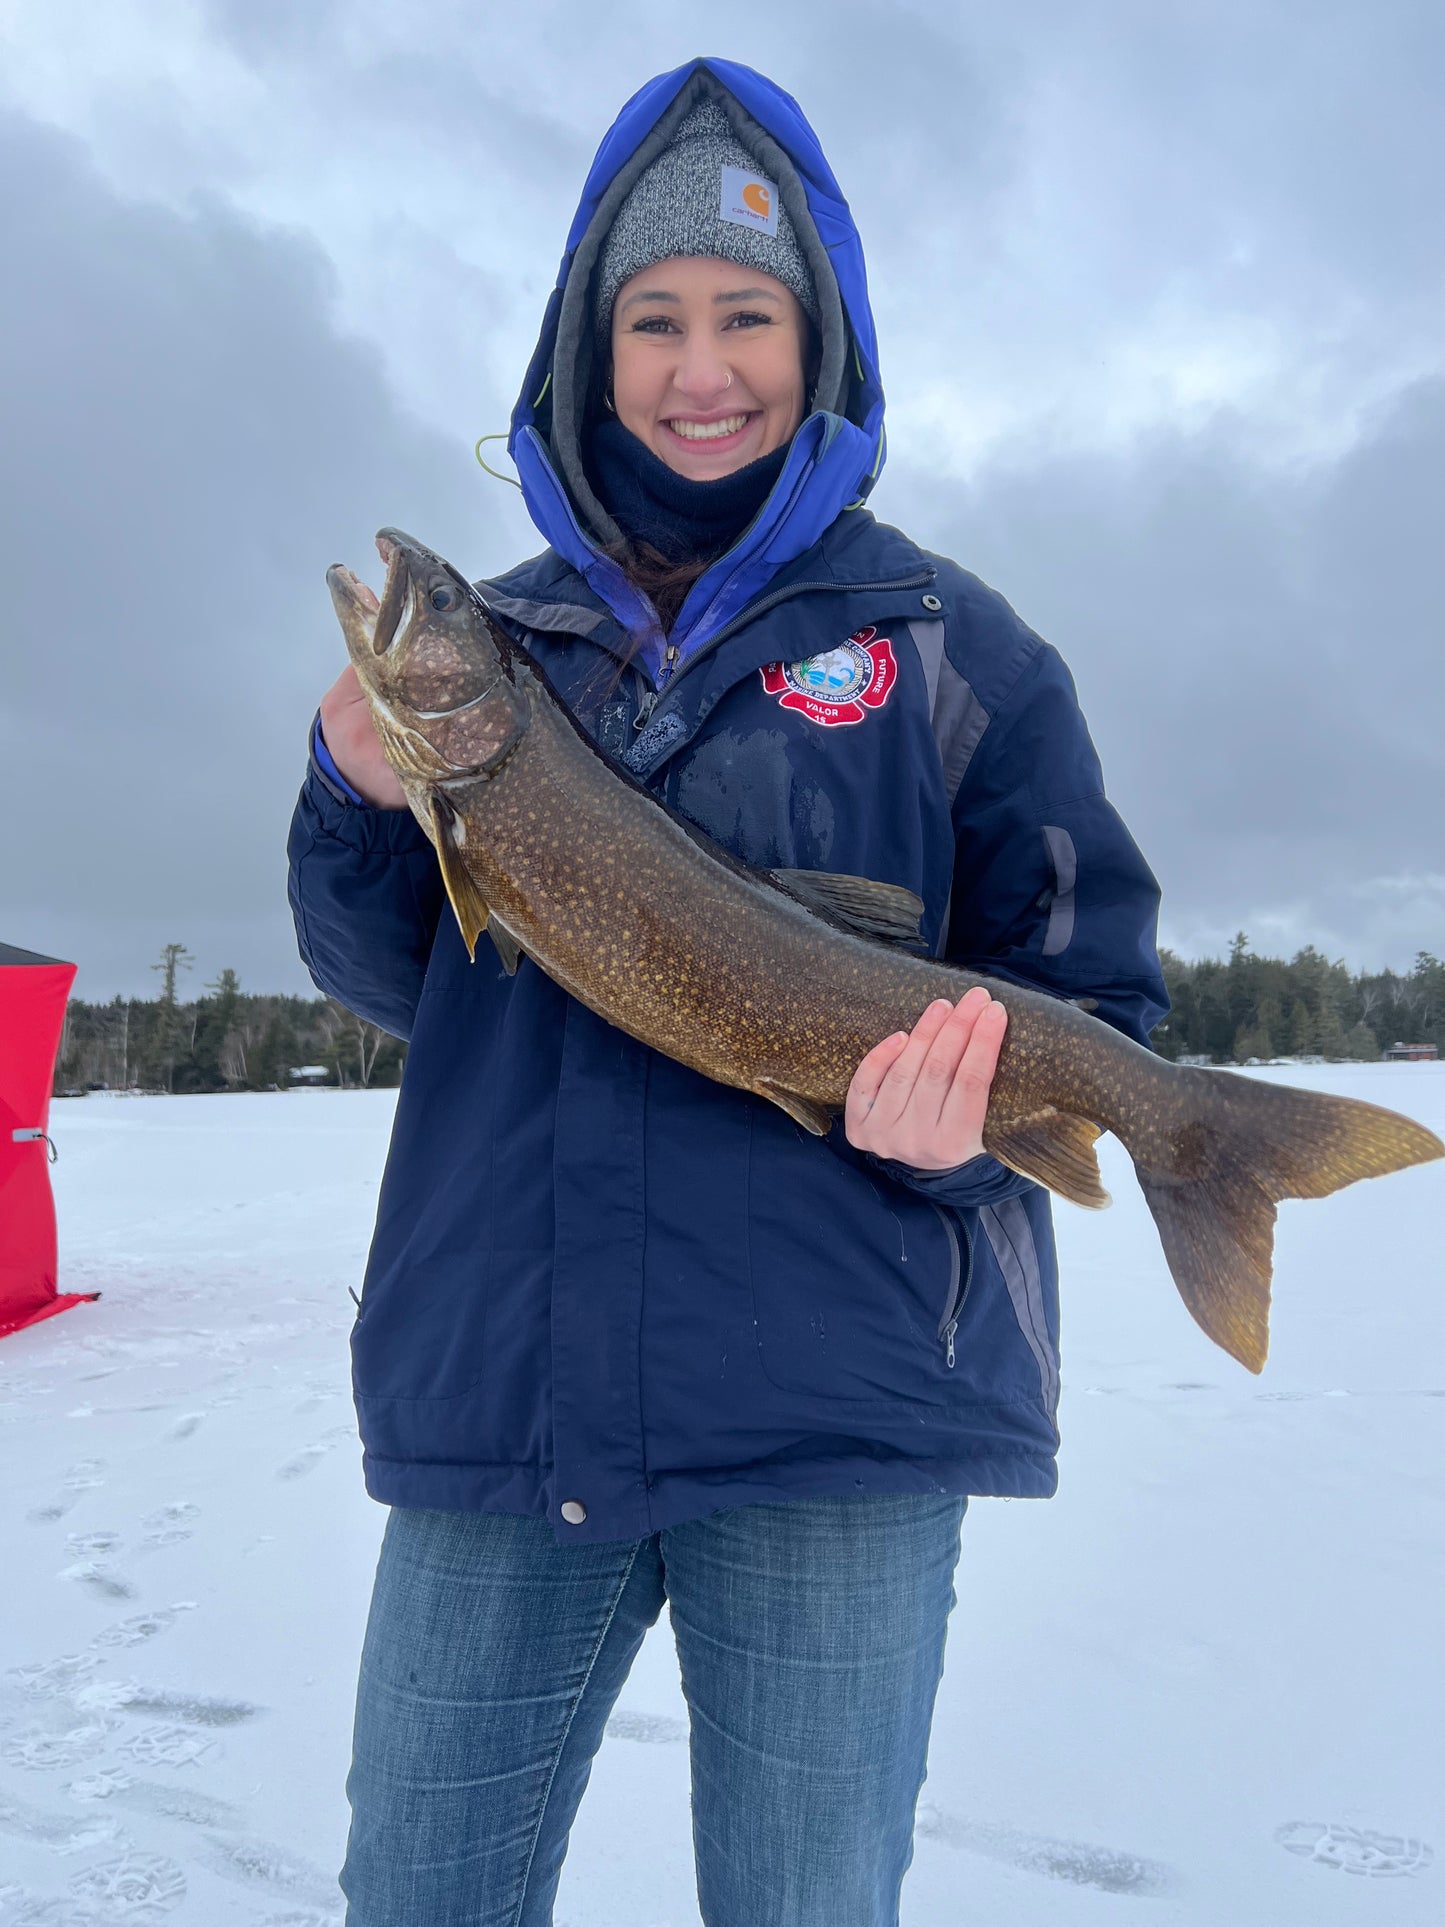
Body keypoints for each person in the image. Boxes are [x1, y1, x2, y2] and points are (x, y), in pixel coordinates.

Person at [288, 56, 1167, 1927]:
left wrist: (962, 1144)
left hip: (841, 1406)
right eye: (655, 318)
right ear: (584, 353)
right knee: (417, 1898)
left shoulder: (956, 647)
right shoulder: (491, 655)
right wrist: (359, 794)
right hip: (498, 1402)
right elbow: (397, 987)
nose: (703, 367)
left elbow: (1096, 999)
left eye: (746, 317)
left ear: (816, 338)